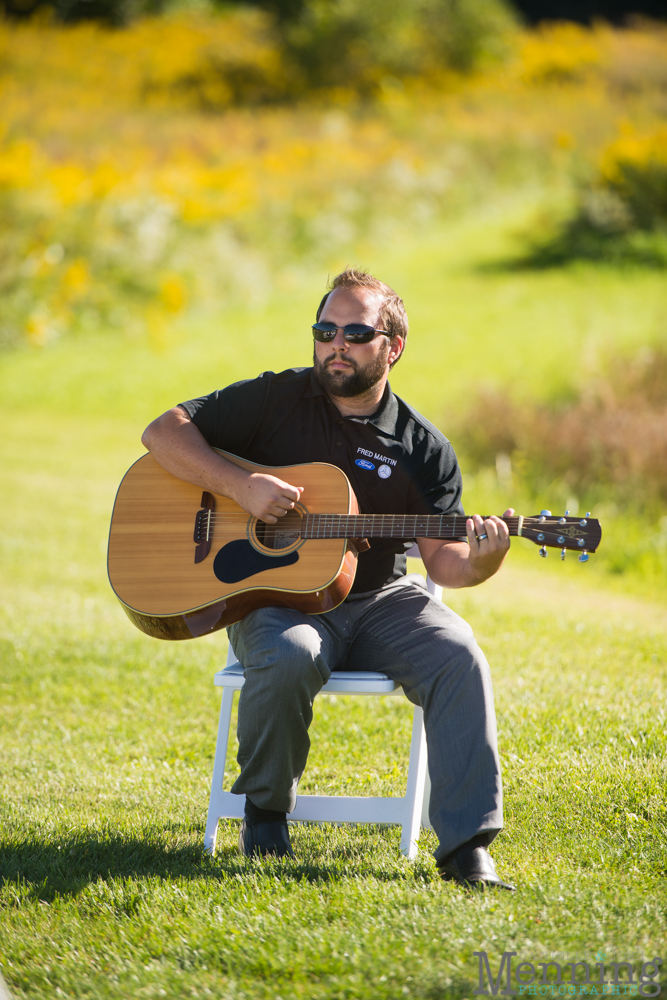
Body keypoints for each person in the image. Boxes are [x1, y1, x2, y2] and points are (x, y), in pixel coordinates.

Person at [142, 268, 515, 891]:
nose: (334, 344)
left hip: (380, 600)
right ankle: (265, 814)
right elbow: (162, 433)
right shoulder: (274, 399)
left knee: (459, 656)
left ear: (392, 347)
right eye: (324, 330)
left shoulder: (423, 448)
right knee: (290, 656)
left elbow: (445, 561)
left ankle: (466, 848)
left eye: (354, 332)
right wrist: (241, 487)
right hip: (276, 600)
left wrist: (483, 559)